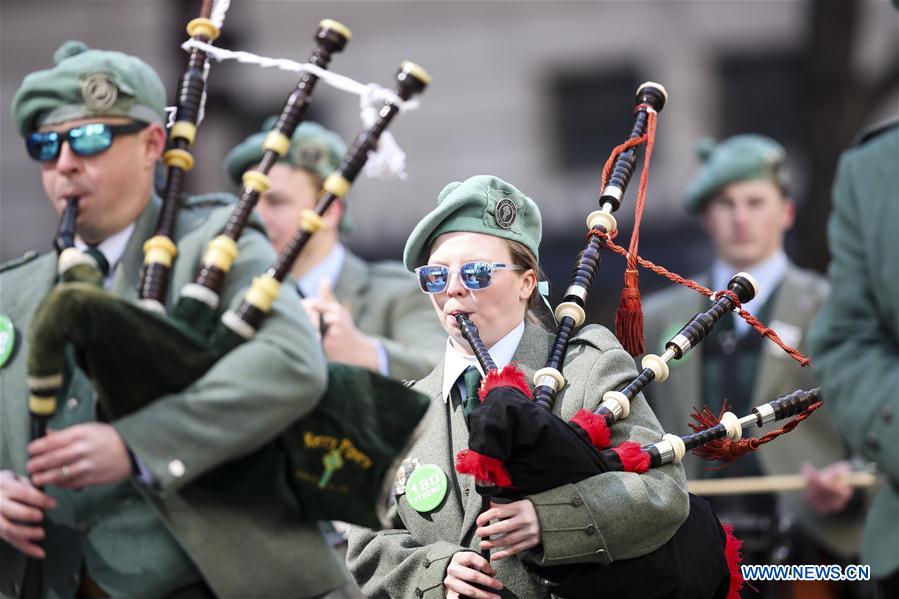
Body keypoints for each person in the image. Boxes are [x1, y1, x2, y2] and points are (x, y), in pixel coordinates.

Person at [0, 41, 348, 597]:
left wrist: (137, 445)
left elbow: (291, 362)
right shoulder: (11, 294)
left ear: (152, 144)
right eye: (45, 145)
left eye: (89, 138)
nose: (64, 163)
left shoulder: (212, 245)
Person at [346, 175, 689, 599]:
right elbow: (365, 543)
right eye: (436, 276)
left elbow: (663, 492)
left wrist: (546, 520)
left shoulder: (586, 369)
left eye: (475, 272)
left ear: (526, 283)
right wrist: (435, 572)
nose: (453, 288)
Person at [643, 135, 866, 592]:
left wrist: (851, 479)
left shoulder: (837, 308)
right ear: (707, 216)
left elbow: (877, 420)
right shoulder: (658, 316)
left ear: (786, 211)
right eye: (726, 203)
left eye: (755, 201)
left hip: (809, 546)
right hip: (688, 540)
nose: (740, 217)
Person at [223, 120, 445, 381]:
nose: (256, 217)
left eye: (276, 202)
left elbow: (444, 374)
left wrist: (365, 353)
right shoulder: (230, 295)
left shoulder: (398, 294)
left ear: (329, 212)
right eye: (248, 201)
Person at [809, 119, 899, 598]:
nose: (740, 218)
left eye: (754, 202)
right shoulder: (876, 168)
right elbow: (848, 343)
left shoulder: (805, 300)